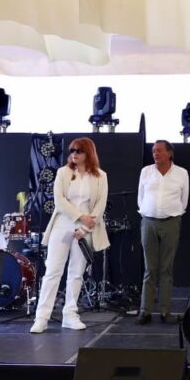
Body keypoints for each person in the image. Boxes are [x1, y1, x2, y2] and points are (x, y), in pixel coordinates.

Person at [31, 137, 109, 334]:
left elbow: (100, 205)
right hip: (63, 225)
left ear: (88, 153)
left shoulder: (100, 176)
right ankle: (42, 317)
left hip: (86, 229)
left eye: (79, 150)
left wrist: (85, 226)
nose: (74, 153)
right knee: (53, 271)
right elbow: (60, 201)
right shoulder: (62, 172)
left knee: (76, 273)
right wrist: (80, 216)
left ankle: (70, 314)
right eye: (72, 150)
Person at [136, 140, 189, 325]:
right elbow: (140, 198)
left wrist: (172, 213)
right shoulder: (146, 172)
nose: (155, 154)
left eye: (159, 151)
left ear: (169, 153)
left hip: (171, 222)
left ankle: (166, 311)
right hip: (148, 222)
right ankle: (145, 311)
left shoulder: (182, 173)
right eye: (153, 151)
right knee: (149, 269)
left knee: (166, 269)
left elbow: (184, 200)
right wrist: (147, 212)